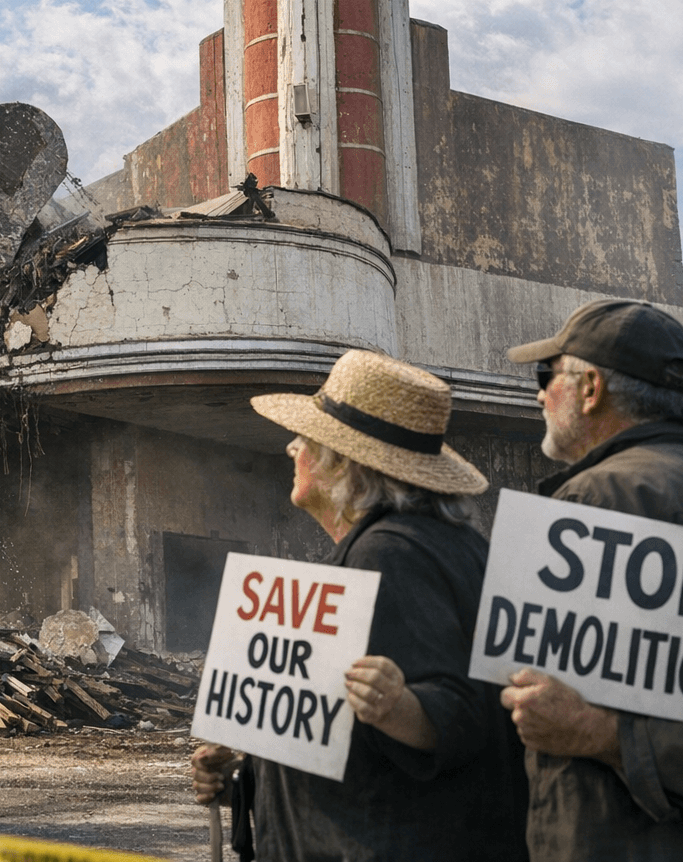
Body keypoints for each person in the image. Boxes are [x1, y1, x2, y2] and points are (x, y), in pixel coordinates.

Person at [190, 349, 528, 861]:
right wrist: (246, 771)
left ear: (339, 461)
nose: (290, 448)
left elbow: (458, 717)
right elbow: (345, 734)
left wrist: (402, 707)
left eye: (304, 439)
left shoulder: (389, 554)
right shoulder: (447, 546)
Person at [500, 299, 683, 859]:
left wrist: (598, 732)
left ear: (590, 388)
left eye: (546, 375)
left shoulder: (590, 506)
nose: (538, 394)